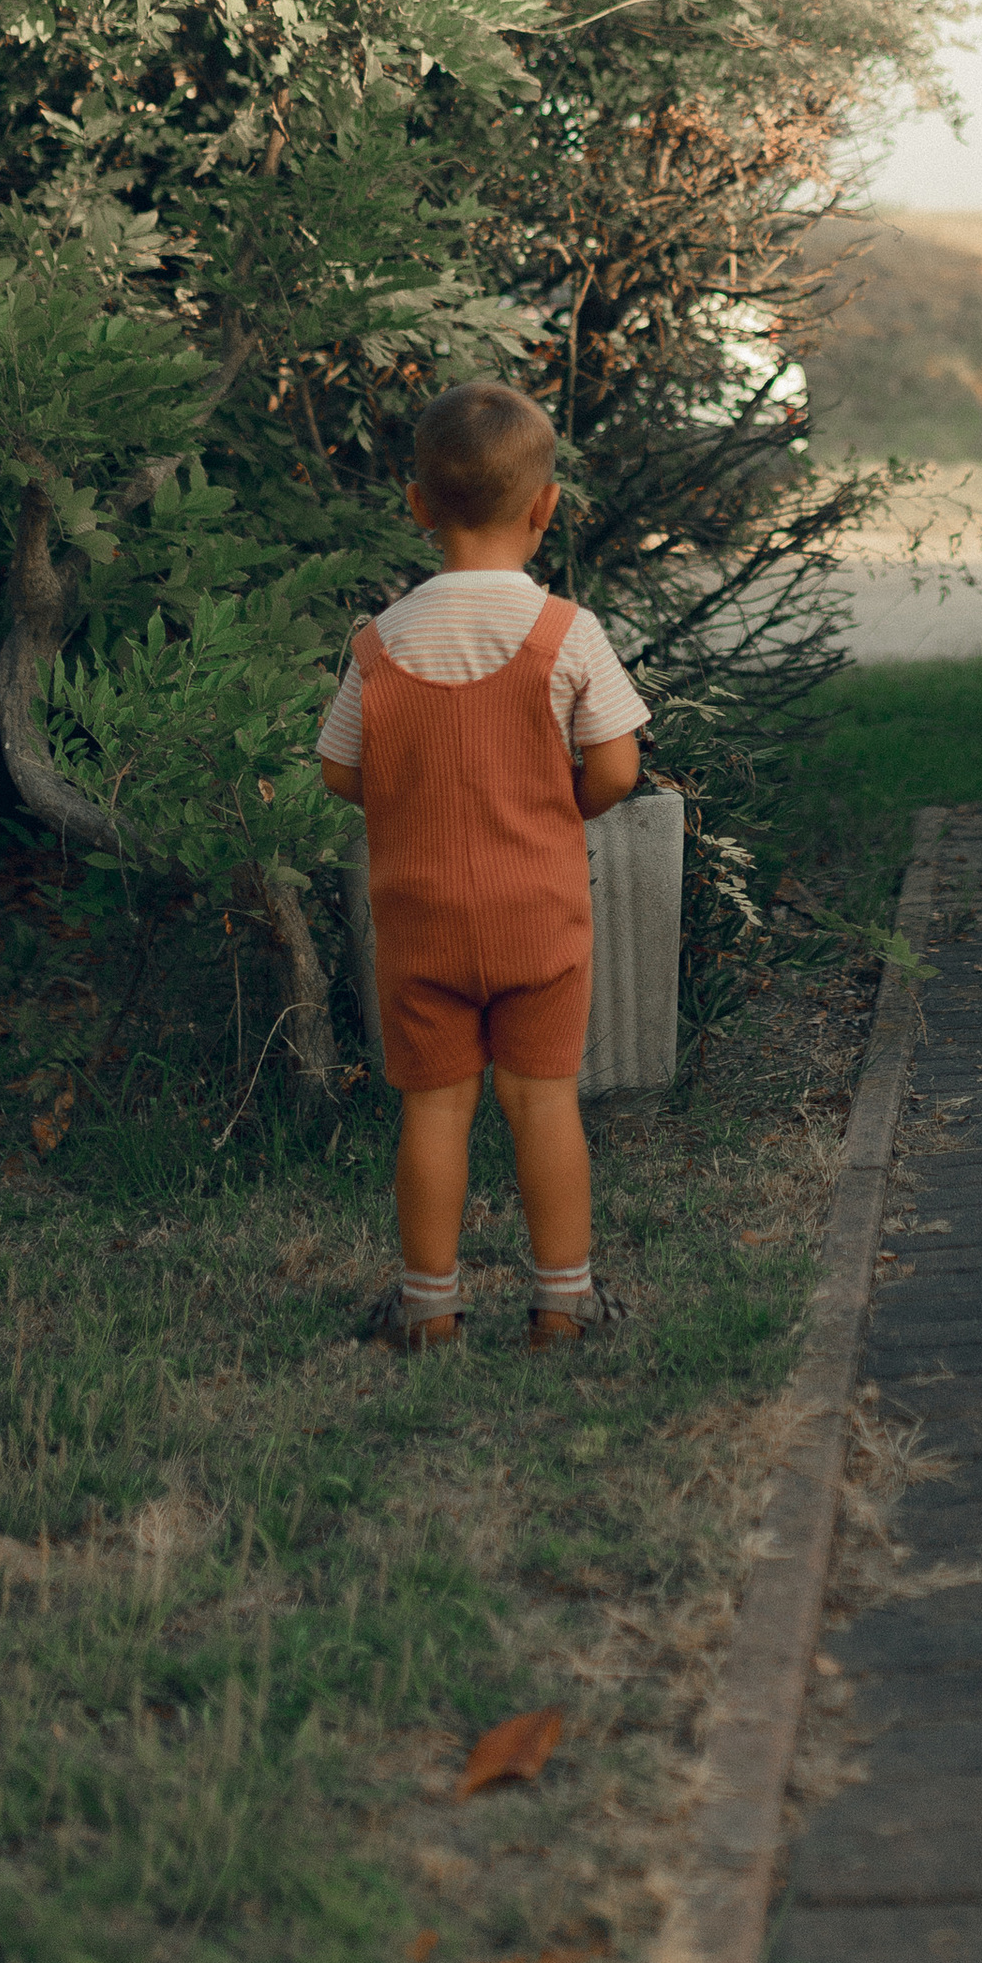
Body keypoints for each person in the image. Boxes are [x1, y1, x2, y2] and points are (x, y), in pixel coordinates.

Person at [316, 377, 647, 1358]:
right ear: (546, 510)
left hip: (419, 922)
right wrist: (555, 810)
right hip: (538, 915)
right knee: (542, 1100)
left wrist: (418, 809)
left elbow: (341, 772)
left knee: (435, 1107)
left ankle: (429, 1307)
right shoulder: (563, 632)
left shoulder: (378, 646)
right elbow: (619, 767)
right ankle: (562, 1304)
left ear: (417, 508)